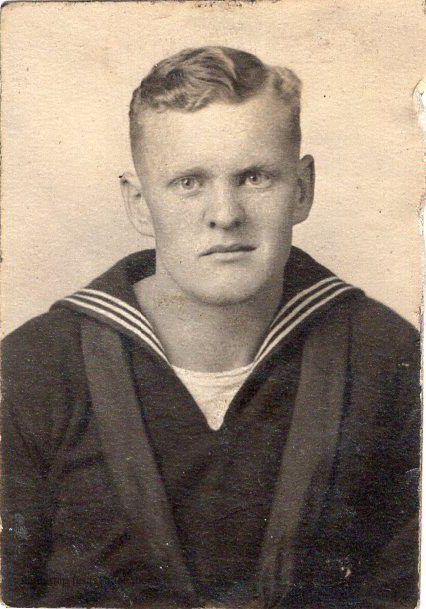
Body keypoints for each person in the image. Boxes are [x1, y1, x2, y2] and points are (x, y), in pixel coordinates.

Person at [1, 47, 420, 609]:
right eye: (189, 182)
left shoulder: (391, 359)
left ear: (301, 188)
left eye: (254, 177)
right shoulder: (31, 370)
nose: (225, 214)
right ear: (139, 203)